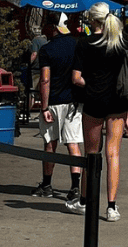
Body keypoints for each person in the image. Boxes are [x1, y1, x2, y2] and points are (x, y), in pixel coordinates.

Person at [66, 4, 128, 221]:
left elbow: (76, 78)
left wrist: (92, 85)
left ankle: (85, 200)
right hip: (118, 102)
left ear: (92, 21)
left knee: (91, 153)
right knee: (113, 153)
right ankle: (112, 207)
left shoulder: (84, 44)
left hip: (94, 102)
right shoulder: (120, 43)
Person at [32, 13, 83, 202]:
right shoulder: (77, 45)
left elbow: (45, 79)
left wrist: (44, 107)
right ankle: (75, 187)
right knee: (73, 144)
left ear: (53, 26)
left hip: (53, 102)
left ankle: (47, 185)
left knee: (50, 144)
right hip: (73, 103)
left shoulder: (47, 49)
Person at [28, 27, 48, 109]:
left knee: (31, 90)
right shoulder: (45, 41)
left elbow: (34, 54)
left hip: (35, 69)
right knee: (42, 91)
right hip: (44, 68)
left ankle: (28, 110)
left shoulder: (35, 40)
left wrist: (28, 63)